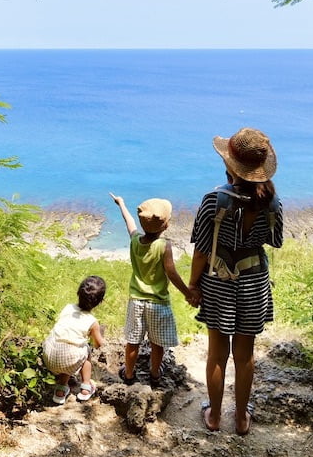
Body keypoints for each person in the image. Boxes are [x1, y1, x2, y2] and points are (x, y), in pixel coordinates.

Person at [188, 127, 283, 435]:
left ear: (230, 166)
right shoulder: (272, 202)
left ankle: (214, 415)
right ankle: (241, 418)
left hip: (218, 280)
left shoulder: (214, 201)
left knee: (217, 352)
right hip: (254, 281)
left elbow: (201, 252)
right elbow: (275, 240)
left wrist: (192, 285)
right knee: (245, 355)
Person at [110, 193, 196, 388]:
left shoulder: (134, 240)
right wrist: (188, 293)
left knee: (133, 342)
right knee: (157, 344)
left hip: (136, 301)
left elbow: (129, 221)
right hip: (158, 302)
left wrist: (121, 203)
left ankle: (129, 374)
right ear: (166, 226)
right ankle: (155, 374)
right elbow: (172, 274)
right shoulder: (164, 246)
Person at [42, 275, 107, 404]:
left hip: (49, 356)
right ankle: (86, 388)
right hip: (68, 359)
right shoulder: (92, 321)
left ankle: (60, 390)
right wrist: (101, 337)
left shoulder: (68, 308)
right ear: (100, 301)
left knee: (70, 344)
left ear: (78, 293)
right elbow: (99, 344)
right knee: (85, 350)